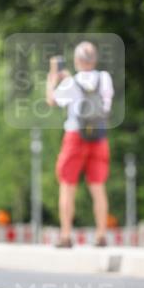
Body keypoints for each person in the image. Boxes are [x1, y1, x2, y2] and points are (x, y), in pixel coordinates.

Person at [46, 41, 114, 247]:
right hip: (99, 136)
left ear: (76, 60)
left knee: (67, 185)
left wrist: (52, 78)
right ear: (94, 59)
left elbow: (52, 101)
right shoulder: (105, 78)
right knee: (98, 186)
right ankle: (101, 234)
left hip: (75, 136)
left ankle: (66, 235)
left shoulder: (70, 83)